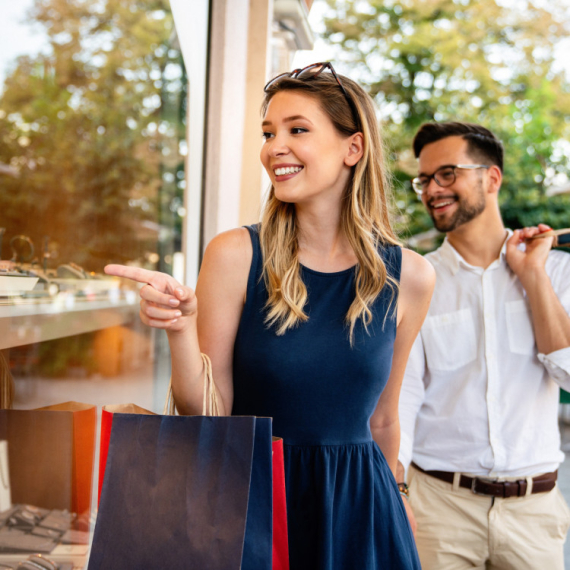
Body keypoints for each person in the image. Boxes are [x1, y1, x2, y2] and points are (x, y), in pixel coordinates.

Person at [105, 62, 434, 569]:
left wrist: (397, 497)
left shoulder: (410, 276)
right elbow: (208, 415)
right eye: (268, 132)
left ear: (354, 148)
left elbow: (384, 417)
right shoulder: (236, 255)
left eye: (297, 129)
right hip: (253, 503)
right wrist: (180, 328)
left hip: (361, 514)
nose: (273, 146)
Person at [397, 121, 570, 569]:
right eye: (425, 179)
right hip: (439, 508)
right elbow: (404, 396)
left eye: (447, 173)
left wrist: (532, 276)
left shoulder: (556, 272)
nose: (432, 189)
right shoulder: (417, 280)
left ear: (491, 178)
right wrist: (396, 492)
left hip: (534, 512)